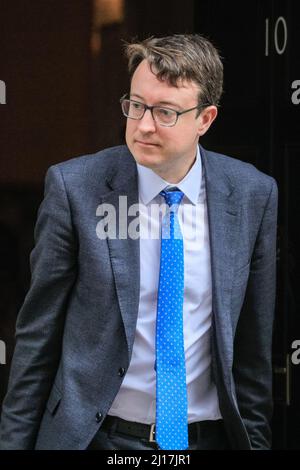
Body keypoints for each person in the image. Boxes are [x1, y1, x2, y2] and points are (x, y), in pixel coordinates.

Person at [0, 34, 278, 451]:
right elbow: (38, 338)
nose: (144, 125)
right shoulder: (76, 188)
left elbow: (254, 350)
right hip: (98, 439)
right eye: (136, 105)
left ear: (205, 119)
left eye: (165, 112)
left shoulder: (253, 194)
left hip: (206, 439)